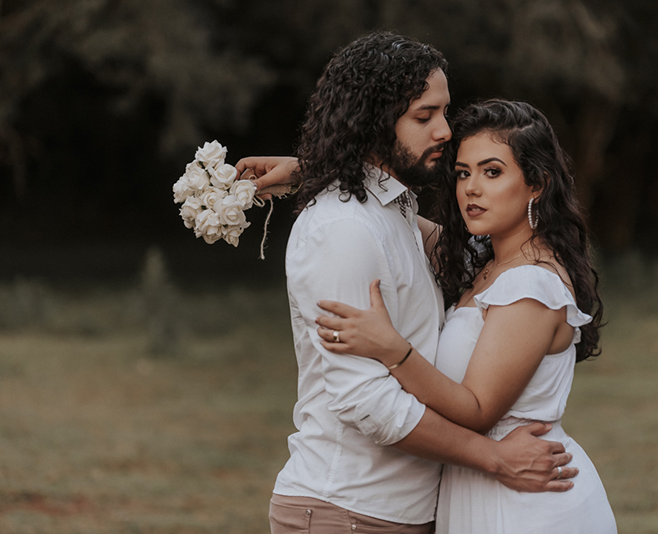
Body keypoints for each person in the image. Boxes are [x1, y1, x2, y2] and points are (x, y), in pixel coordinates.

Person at [235, 33, 576, 534]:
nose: (444, 131)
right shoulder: (343, 229)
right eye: (424, 117)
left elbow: (495, 255)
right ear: (375, 121)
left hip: (400, 511)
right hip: (349, 509)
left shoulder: (397, 213)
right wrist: (494, 458)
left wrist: (314, 170)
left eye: (444, 111)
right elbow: (364, 401)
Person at [313, 99, 617, 533]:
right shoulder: (488, 261)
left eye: (492, 172)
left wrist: (390, 349)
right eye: (463, 172)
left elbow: (477, 410)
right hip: (486, 486)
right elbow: (394, 216)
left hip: (525, 502)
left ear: (536, 184)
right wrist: (307, 174)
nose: (471, 188)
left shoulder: (529, 285)